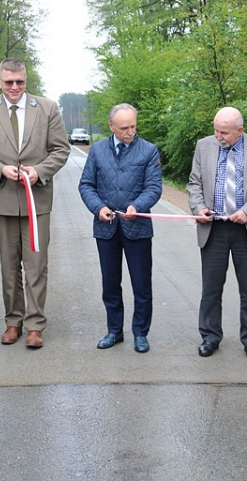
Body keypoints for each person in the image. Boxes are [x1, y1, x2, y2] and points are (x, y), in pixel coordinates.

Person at [0, 58, 70, 349]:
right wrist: (0, 169)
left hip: (37, 201)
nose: (14, 87)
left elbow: (61, 149)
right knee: (9, 265)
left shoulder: (47, 108)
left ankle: (35, 325)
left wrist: (39, 171)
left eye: (20, 82)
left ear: (26, 81)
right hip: (3, 201)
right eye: (9, 82)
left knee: (36, 265)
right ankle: (13, 321)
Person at [187, 107, 247, 362]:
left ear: (240, 130)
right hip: (213, 228)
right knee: (211, 287)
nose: (218, 136)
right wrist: (198, 208)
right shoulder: (204, 146)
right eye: (216, 130)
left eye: (224, 132)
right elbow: (194, 183)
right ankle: (210, 336)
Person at [79, 104, 162, 353]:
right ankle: (114, 331)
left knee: (141, 285)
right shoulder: (97, 150)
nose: (130, 132)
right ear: (111, 127)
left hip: (137, 228)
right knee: (110, 284)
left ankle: (140, 333)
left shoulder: (148, 151)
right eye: (124, 127)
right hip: (106, 229)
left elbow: (154, 187)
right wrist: (98, 208)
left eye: (133, 126)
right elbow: (86, 185)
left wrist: (138, 206)